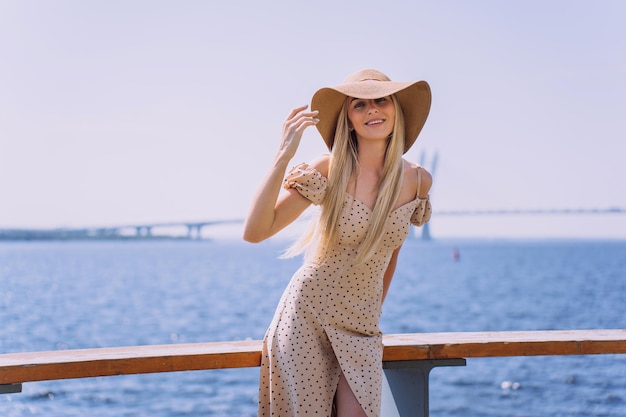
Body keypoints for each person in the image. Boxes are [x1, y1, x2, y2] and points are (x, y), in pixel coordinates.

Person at [243, 69, 433, 417]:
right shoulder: (329, 171)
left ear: (396, 109)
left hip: (361, 328)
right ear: (348, 118)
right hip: (307, 320)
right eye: (360, 104)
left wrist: (372, 314)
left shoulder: (417, 181)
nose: (372, 110)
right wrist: (282, 156)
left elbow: (389, 257)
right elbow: (255, 231)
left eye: (381, 100)